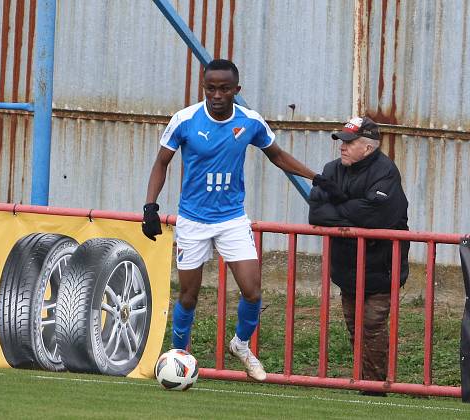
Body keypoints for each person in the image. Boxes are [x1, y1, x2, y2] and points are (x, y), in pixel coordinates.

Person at [142, 59, 316, 381]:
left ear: (237, 89)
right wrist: (150, 207)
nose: (217, 94)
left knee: (252, 290)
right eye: (211, 88)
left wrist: (315, 177)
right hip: (193, 220)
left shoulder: (250, 122)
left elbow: (277, 156)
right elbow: (161, 163)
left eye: (224, 88)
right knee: (189, 295)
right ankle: (179, 357)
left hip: (232, 218)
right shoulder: (184, 120)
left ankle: (240, 344)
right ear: (204, 87)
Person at [308, 116, 409, 396]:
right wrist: (354, 210)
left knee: (372, 327)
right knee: (355, 328)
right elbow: (315, 213)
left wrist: (338, 207)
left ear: (368, 148)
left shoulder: (385, 172)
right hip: (347, 267)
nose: (342, 147)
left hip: (381, 267)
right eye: (341, 141)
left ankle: (375, 389)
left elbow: (376, 216)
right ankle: (367, 382)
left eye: (348, 142)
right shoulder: (332, 169)